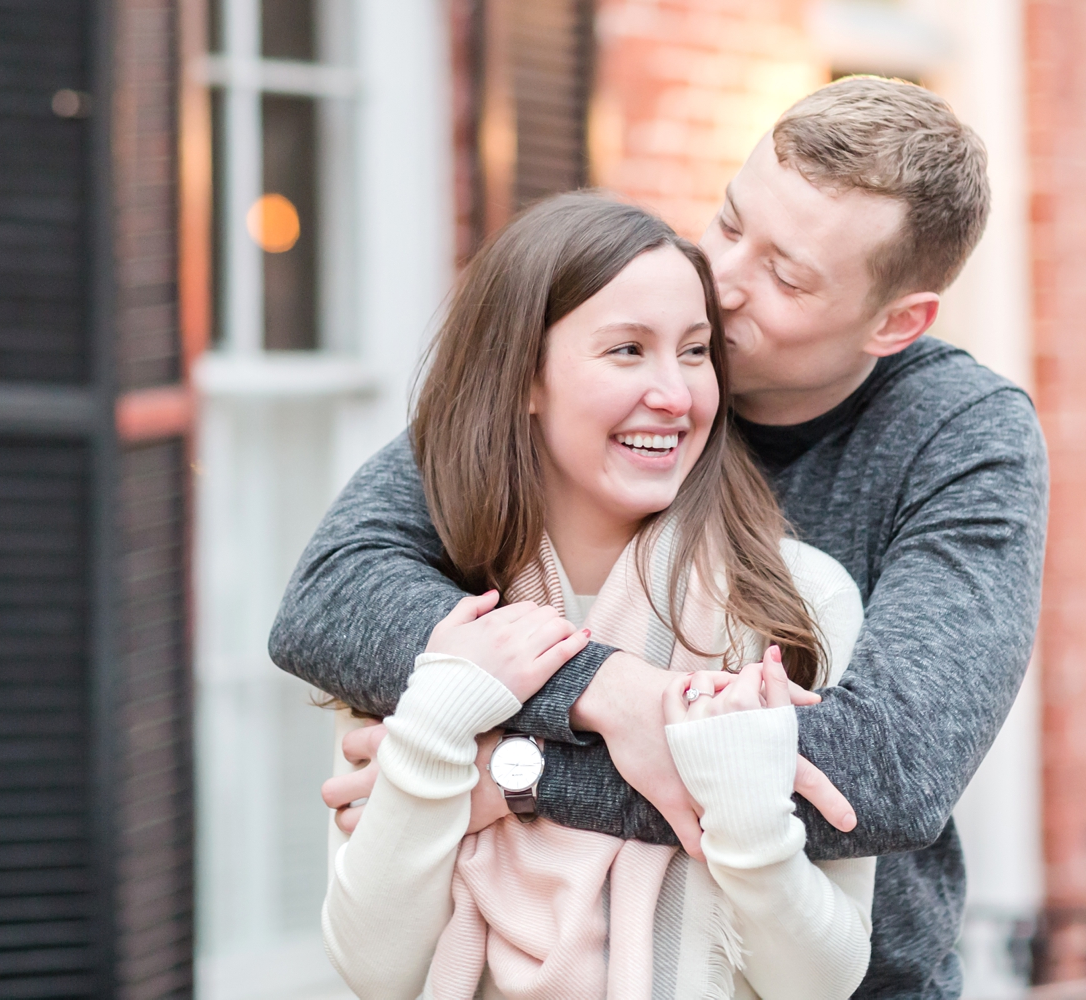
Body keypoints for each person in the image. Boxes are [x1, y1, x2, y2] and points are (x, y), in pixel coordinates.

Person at [273, 76, 1049, 998]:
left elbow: (886, 773)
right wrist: (604, 691)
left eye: (787, 276)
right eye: (729, 224)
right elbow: (332, 595)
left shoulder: (960, 439)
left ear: (897, 322)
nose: (723, 284)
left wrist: (505, 775)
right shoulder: (593, 381)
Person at [324, 191, 874, 1000]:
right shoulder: (417, 601)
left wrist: (744, 813)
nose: (676, 395)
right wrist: (439, 724)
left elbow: (822, 982)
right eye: (626, 350)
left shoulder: (797, 601)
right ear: (523, 380)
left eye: (694, 353)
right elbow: (373, 970)